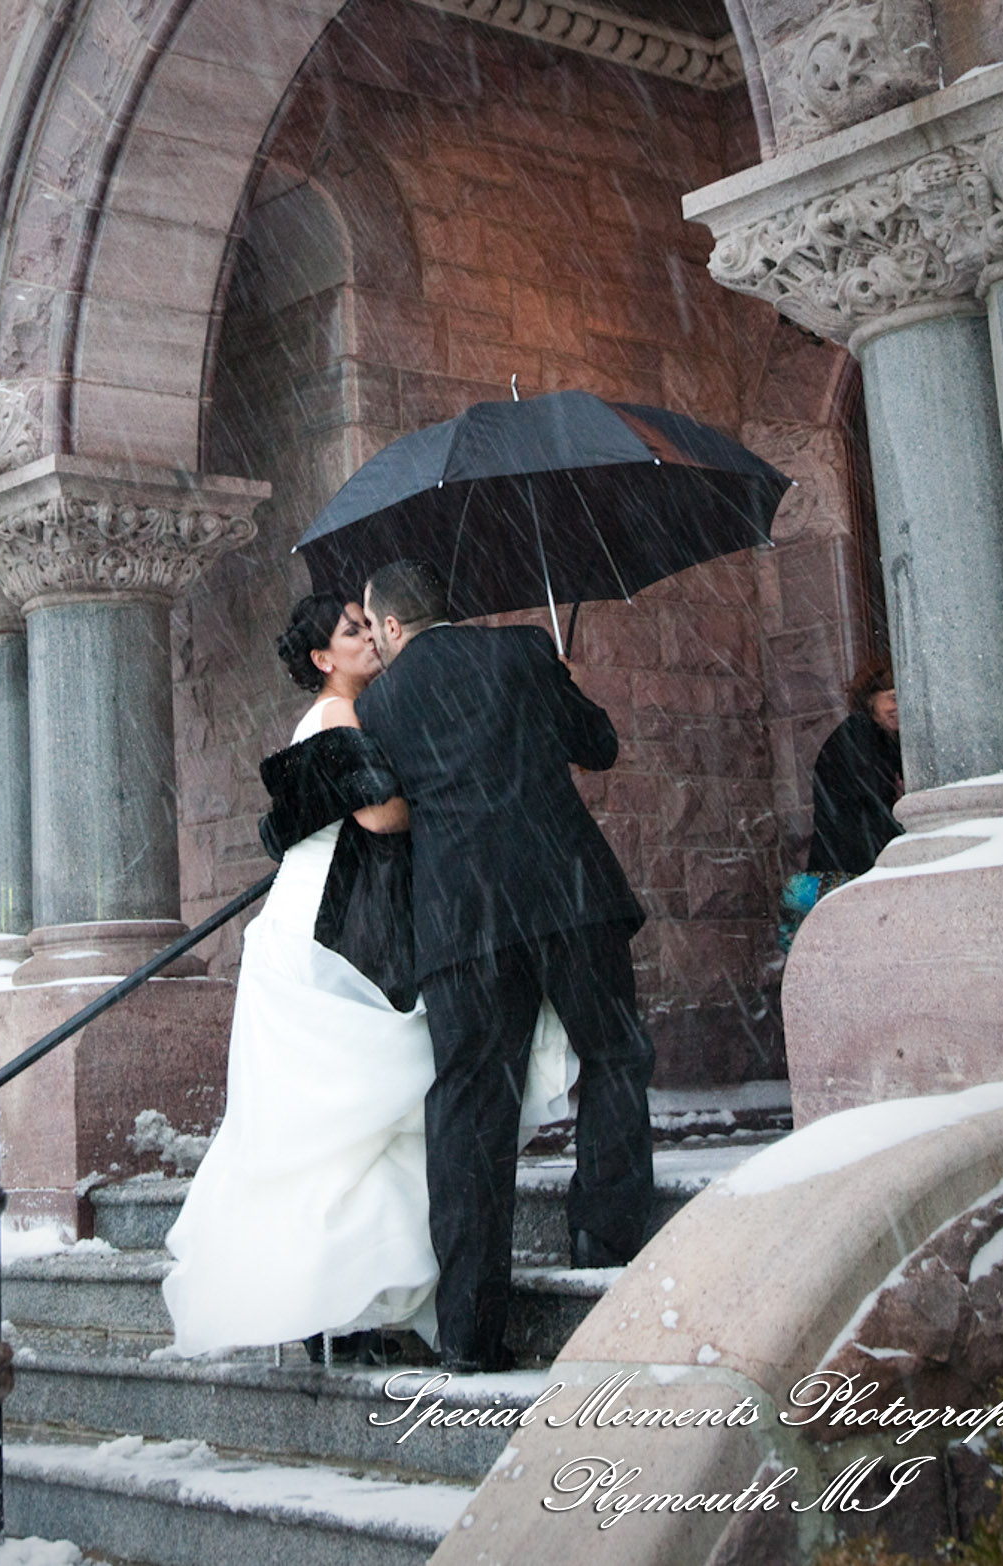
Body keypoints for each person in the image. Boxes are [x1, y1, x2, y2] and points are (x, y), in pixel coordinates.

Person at [161, 594, 574, 1363]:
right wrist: (451, 785)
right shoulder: (336, 716)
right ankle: (338, 1308)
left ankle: (341, 1309)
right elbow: (381, 818)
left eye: (367, 624)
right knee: (354, 1118)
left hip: (327, 921)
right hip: (328, 932)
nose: (369, 639)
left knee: (354, 1127)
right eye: (351, 632)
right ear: (322, 658)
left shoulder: (344, 715)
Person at [357, 559, 654, 1374]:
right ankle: (603, 1241)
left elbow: (393, 815)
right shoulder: (522, 651)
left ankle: (468, 1329)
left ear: (392, 626)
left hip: (462, 921)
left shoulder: (380, 702)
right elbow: (599, 746)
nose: (373, 641)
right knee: (615, 1055)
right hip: (567, 893)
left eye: (373, 626)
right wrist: (560, 684)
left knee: (469, 1111)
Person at [806, 661, 904, 876]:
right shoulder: (861, 733)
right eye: (894, 698)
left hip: (852, 856)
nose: (901, 707)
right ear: (870, 700)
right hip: (854, 859)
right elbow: (874, 798)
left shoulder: (884, 739)